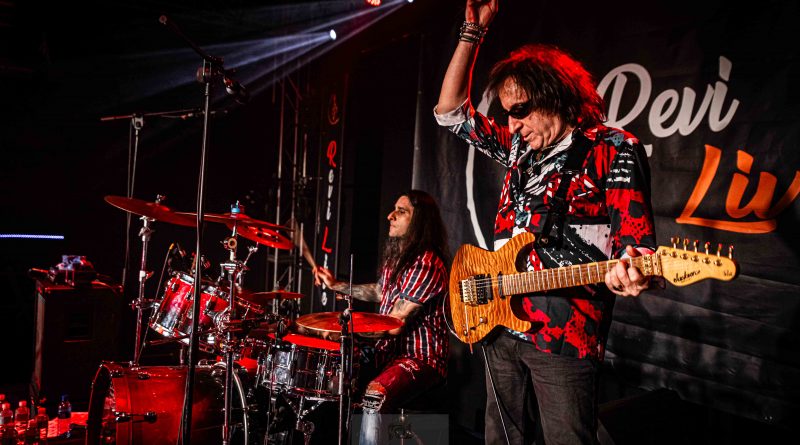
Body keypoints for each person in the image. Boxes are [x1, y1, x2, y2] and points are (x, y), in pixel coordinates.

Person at [434, 1, 658, 444]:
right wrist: (471, 33)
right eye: (507, 113)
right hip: (499, 321)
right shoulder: (519, 150)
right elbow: (450, 111)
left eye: (520, 110)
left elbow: (636, 243)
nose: (513, 124)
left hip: (564, 332)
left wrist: (633, 269)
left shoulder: (613, 148)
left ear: (554, 94)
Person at [313, 190, 450, 445]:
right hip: (387, 353)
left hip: (420, 359)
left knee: (375, 394)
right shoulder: (399, 259)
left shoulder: (427, 263)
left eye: (401, 211)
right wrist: (336, 285)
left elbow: (394, 324)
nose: (390, 216)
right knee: (332, 380)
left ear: (419, 220)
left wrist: (345, 330)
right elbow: (380, 291)